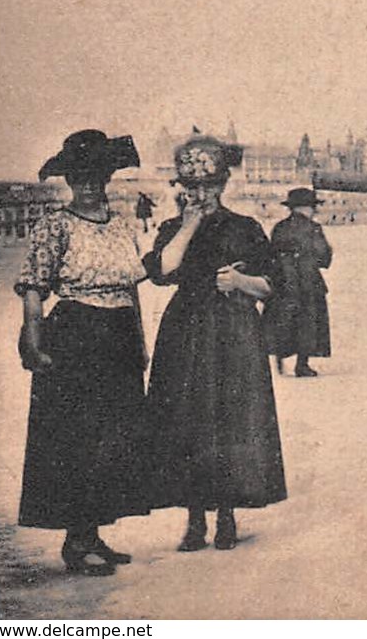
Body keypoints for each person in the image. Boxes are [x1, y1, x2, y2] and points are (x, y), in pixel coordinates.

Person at [13, 130, 151, 576]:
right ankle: (76, 542)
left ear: (107, 177)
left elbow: (132, 287)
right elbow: (34, 285)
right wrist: (32, 337)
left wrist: (141, 340)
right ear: (68, 180)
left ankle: (93, 534)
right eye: (79, 177)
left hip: (119, 336)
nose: (89, 185)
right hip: (75, 335)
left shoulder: (122, 224)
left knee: (114, 438)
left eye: (96, 176)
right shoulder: (54, 225)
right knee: (77, 440)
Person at [143, 135, 286, 552]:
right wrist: (189, 224)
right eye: (191, 186)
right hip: (185, 329)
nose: (200, 194)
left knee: (231, 420)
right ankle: (193, 519)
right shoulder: (173, 228)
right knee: (187, 421)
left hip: (235, 331)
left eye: (208, 186)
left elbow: (272, 286)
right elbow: (162, 271)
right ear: (181, 187)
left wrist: (241, 282)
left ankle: (226, 515)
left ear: (223, 185)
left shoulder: (245, 228)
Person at [264, 187, 333, 378]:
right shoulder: (313, 228)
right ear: (308, 208)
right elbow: (323, 257)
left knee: (282, 318)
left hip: (283, 281)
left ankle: (279, 357)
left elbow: (270, 254)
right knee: (308, 322)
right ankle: (302, 365)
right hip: (308, 281)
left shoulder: (279, 227)